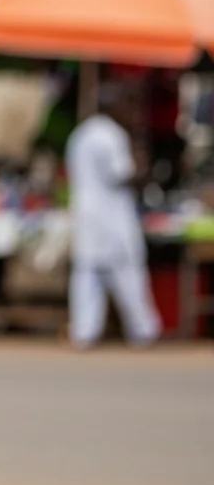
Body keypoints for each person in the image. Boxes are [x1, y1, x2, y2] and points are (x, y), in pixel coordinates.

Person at [66, 84, 162, 349]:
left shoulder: (81, 133)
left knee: (87, 275)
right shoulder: (111, 135)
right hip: (111, 218)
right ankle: (143, 330)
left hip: (87, 216)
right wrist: (142, 163)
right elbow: (122, 175)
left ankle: (84, 332)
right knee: (127, 274)